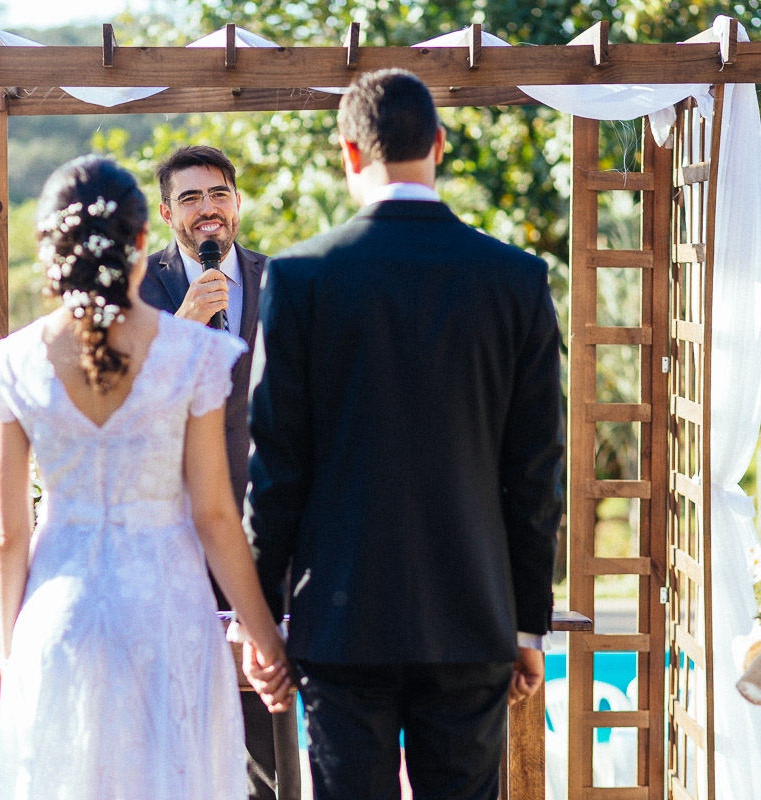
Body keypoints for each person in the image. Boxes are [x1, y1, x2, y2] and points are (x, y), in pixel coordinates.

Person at [243, 69, 564, 800]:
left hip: (341, 623)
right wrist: (526, 624)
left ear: (349, 153)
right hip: (472, 618)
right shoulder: (515, 278)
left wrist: (259, 618)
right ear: (440, 146)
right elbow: (536, 469)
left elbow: (277, 468)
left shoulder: (299, 278)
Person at [0, 155, 290, 800]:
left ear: (49, 247)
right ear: (147, 237)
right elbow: (214, 517)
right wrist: (266, 637)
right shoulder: (194, 352)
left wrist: (12, 650)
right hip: (169, 607)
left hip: (56, 616)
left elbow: (7, 535)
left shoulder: (11, 364)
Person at [139, 145, 281, 800]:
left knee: (265, 721)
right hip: (171, 526)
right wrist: (181, 323)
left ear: (237, 203)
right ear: (168, 213)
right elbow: (118, 398)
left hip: (262, 525)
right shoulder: (140, 287)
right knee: (172, 715)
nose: (207, 209)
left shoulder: (282, 279)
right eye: (190, 198)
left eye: (217, 194)